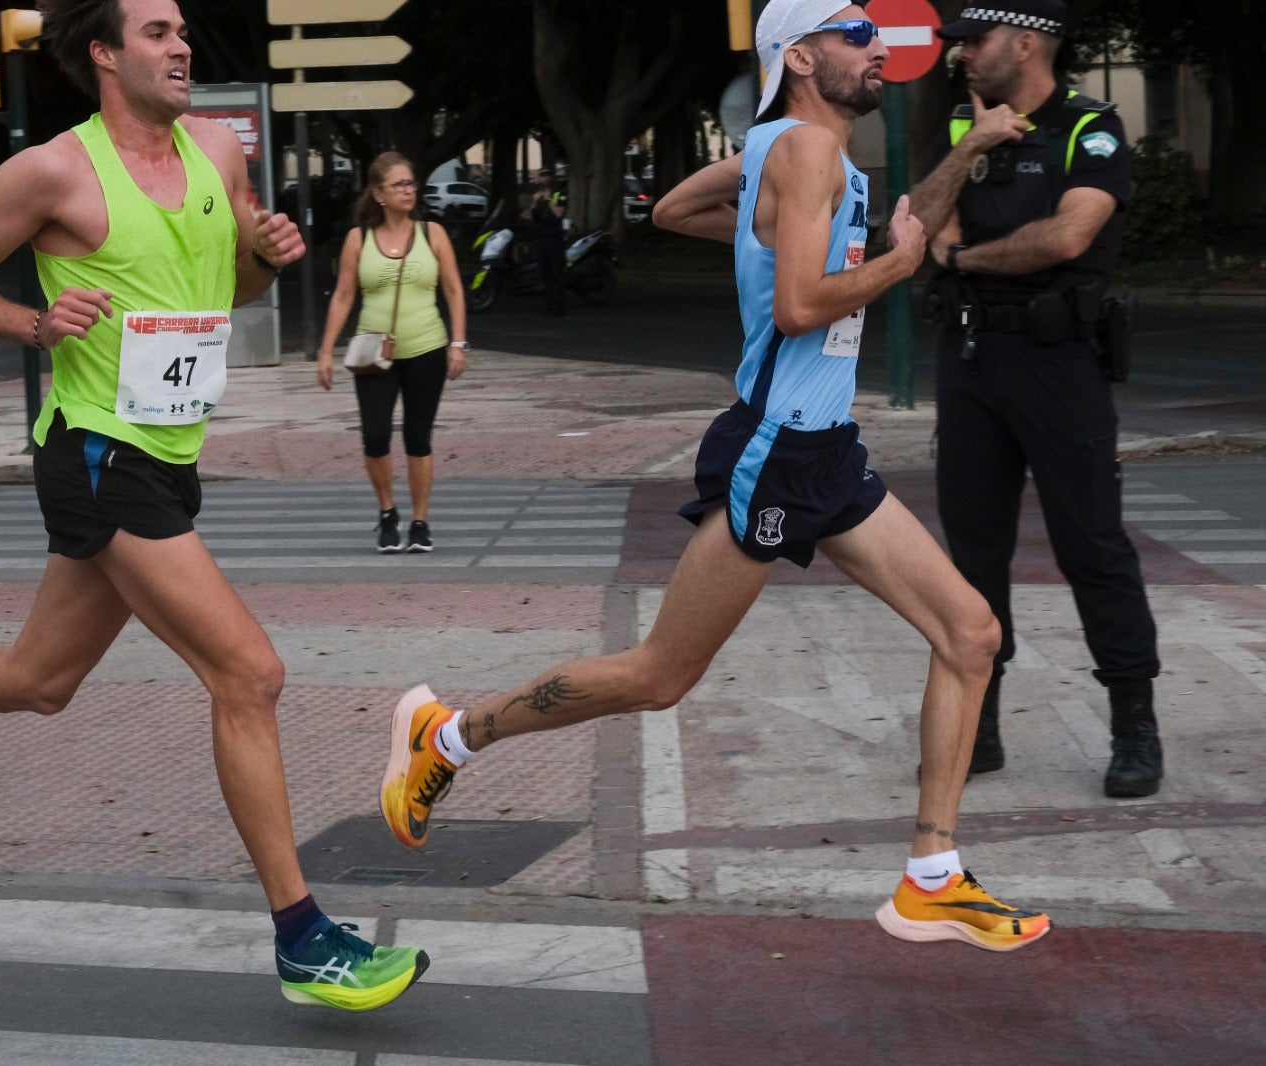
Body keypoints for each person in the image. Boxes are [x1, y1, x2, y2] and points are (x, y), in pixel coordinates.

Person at [0, 0, 429, 1012]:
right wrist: (35, 320)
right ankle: (303, 936)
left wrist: (269, 253)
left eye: (184, 30)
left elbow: (235, 286)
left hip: (169, 448)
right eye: (158, 31)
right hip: (96, 451)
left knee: (38, 679)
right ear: (106, 55)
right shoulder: (52, 172)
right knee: (249, 673)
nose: (182, 44)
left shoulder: (216, 149)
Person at [381, 0, 1056, 953]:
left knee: (971, 631)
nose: (878, 49)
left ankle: (931, 879)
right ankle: (447, 735)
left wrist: (963, 153)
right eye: (856, 35)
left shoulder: (795, 150)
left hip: (826, 450)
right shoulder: (806, 153)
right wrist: (893, 266)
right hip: (775, 450)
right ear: (805, 57)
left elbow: (674, 209)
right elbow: (800, 307)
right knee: (659, 677)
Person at [907, 0, 1162, 798]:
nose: (961, 56)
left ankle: (1134, 724)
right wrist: (975, 146)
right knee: (972, 556)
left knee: (1092, 546)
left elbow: (1066, 238)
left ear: (1024, 43)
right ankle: (977, 728)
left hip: (1058, 366)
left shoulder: (1091, 130)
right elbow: (915, 226)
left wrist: (966, 258)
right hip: (973, 362)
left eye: (974, 42)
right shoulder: (963, 125)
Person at [315, 152, 468, 554]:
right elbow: (344, 296)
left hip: (427, 348)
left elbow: (453, 289)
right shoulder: (358, 238)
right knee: (375, 436)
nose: (408, 190)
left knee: (419, 436)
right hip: (373, 354)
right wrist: (326, 351)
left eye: (411, 183)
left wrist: (458, 342)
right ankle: (387, 512)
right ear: (379, 194)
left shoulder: (432, 234)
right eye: (399, 184)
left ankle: (420, 520)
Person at [523, 168, 566, 315]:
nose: (544, 179)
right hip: (541, 239)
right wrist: (534, 203)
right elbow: (529, 216)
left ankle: (558, 306)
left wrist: (549, 200)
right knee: (545, 274)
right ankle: (548, 304)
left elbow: (559, 213)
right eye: (542, 176)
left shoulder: (557, 194)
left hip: (554, 239)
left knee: (556, 274)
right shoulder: (537, 196)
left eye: (547, 176)